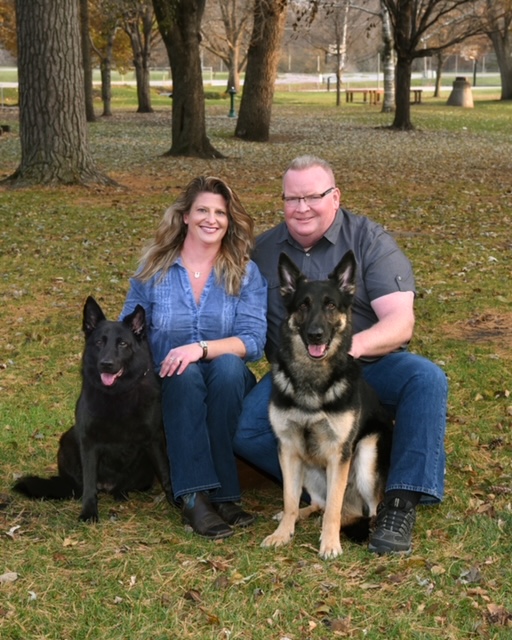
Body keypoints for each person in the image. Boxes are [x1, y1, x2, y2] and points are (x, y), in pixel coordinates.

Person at [234, 155, 448, 554]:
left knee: (426, 378)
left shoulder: (368, 240)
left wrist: (347, 349)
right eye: (292, 198)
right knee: (248, 431)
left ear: (335, 197)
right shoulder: (263, 252)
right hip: (297, 372)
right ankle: (320, 487)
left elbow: (401, 322)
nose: (302, 207)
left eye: (313, 196)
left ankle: (399, 500)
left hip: (371, 365)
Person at [120, 176, 267, 540]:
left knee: (229, 368)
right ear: (185, 215)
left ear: (230, 221)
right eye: (202, 209)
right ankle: (195, 499)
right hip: (169, 380)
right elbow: (130, 334)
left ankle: (226, 496)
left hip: (228, 381)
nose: (211, 219)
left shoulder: (245, 272)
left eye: (221, 212)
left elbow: (252, 341)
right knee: (184, 376)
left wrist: (200, 349)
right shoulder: (153, 270)